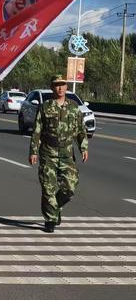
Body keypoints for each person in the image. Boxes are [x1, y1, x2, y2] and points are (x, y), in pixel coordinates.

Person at [29, 74, 88, 234]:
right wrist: (33, 151)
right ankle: (50, 220)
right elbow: (37, 130)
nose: (60, 87)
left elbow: (81, 129)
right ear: (51, 87)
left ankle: (55, 207)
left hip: (67, 153)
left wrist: (83, 147)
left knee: (70, 188)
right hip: (48, 152)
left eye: (63, 84)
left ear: (67, 87)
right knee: (48, 187)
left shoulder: (74, 107)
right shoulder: (45, 107)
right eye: (57, 85)